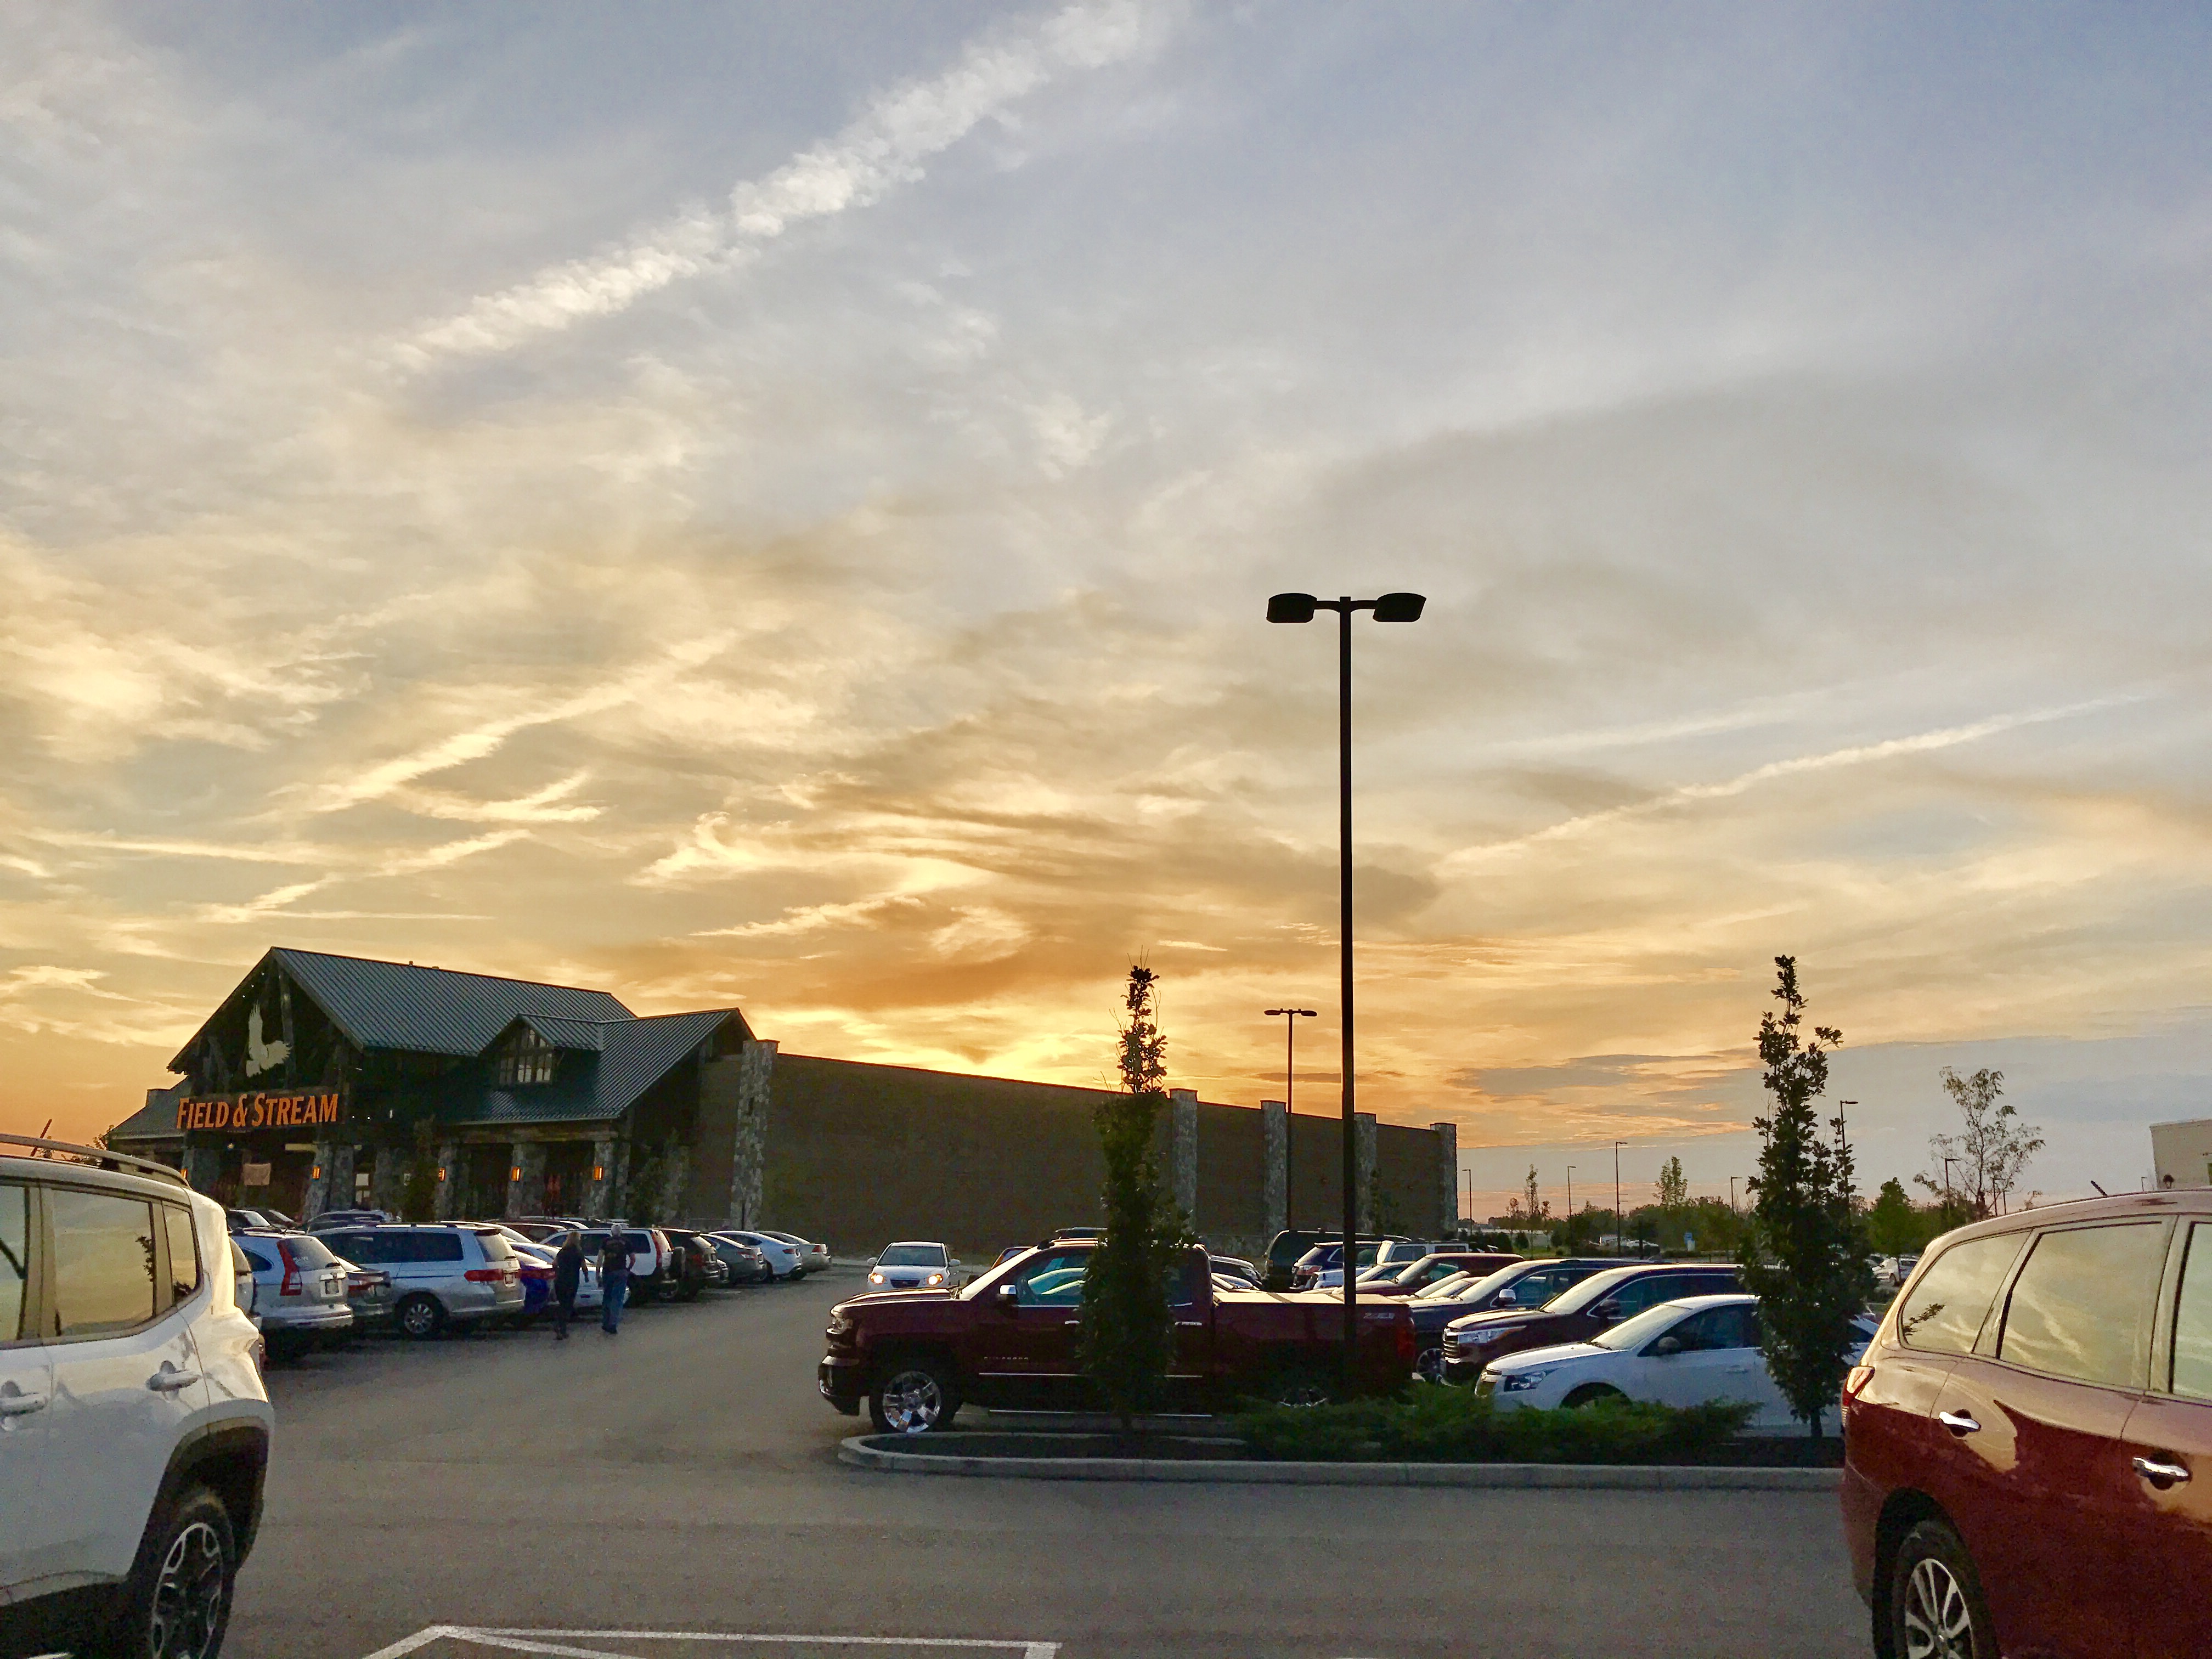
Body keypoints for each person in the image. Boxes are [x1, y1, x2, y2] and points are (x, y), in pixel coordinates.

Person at [598, 1227, 631, 1335]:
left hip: (608, 1272)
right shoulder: (626, 1242)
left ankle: (605, 1322)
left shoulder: (605, 1241)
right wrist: (628, 1269)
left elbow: (600, 1257)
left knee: (607, 1297)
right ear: (621, 1232)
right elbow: (633, 1258)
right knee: (618, 1299)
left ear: (612, 1232)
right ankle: (613, 1325)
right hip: (621, 1272)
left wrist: (598, 1272)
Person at [551, 1234, 585, 1340]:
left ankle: (558, 1324)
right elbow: (584, 1266)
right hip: (572, 1281)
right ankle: (563, 1329)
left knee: (562, 1304)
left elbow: (554, 1264)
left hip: (560, 1280)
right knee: (568, 1305)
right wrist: (587, 1276)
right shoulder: (578, 1252)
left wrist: (557, 1272)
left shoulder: (562, 1251)